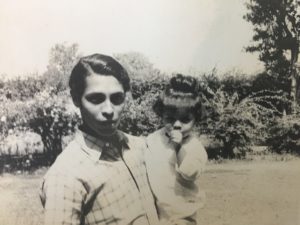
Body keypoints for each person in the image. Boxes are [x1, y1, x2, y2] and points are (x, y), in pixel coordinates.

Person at [39, 54, 159, 225]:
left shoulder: (141, 148)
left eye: (117, 98)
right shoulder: (65, 177)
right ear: (76, 99)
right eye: (96, 99)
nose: (109, 110)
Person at [145, 74, 208, 225]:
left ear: (196, 119)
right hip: (156, 212)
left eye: (185, 119)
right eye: (170, 119)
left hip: (182, 213)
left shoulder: (194, 146)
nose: (177, 124)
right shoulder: (154, 139)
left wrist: (178, 147)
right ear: (161, 116)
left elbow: (190, 172)